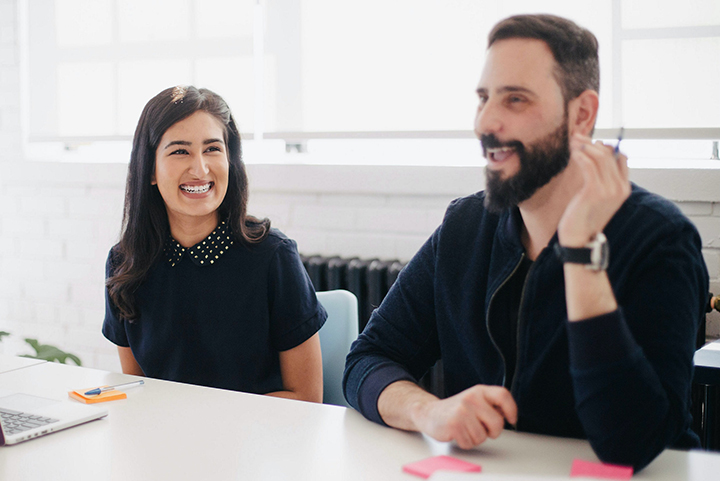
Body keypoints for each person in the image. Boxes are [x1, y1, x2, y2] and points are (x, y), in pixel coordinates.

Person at [343, 14, 708, 471]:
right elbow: (367, 360)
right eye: (483, 98)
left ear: (581, 114)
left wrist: (580, 253)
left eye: (515, 99)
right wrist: (428, 410)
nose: (486, 122)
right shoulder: (466, 225)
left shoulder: (661, 240)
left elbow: (631, 443)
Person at [103, 86, 326, 403]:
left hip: (260, 442)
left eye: (212, 149)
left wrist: (204, 424)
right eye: (180, 151)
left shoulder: (272, 256)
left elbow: (306, 397)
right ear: (150, 169)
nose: (200, 169)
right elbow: (138, 389)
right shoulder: (125, 262)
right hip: (165, 440)